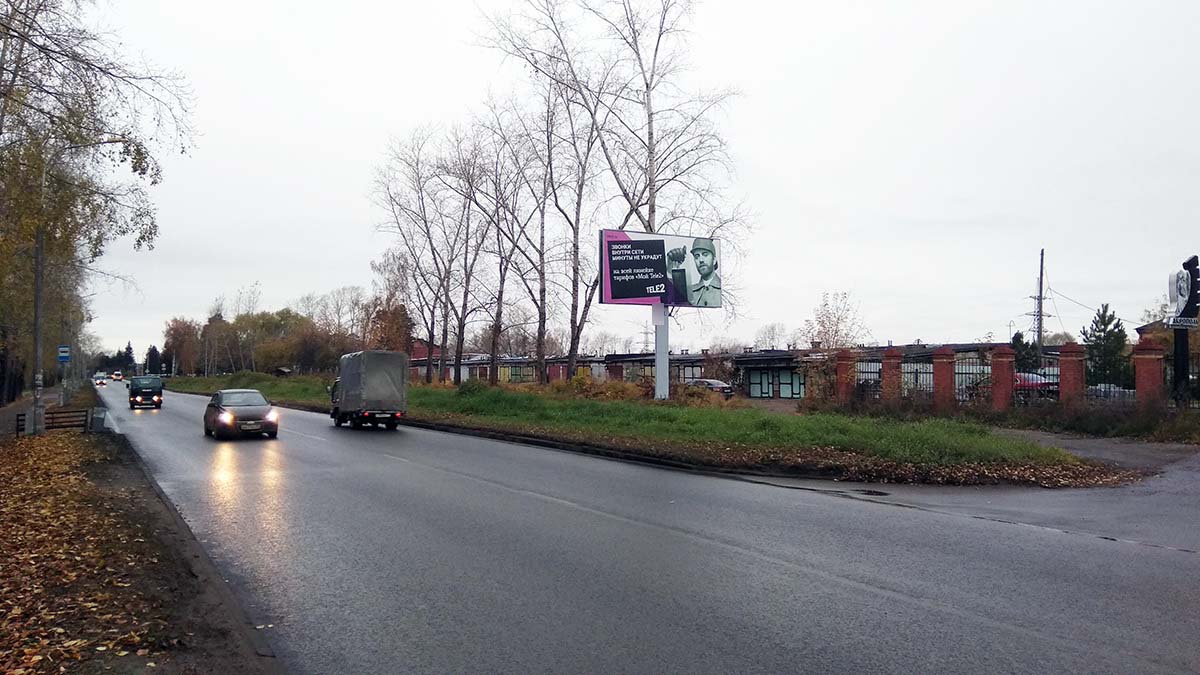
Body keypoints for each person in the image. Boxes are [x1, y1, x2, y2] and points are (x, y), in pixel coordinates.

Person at [666, 237, 721, 307]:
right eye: (697, 256)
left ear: (714, 260)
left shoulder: (722, 289)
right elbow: (668, 301)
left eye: (705, 255)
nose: (701, 260)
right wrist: (670, 272)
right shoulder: (689, 292)